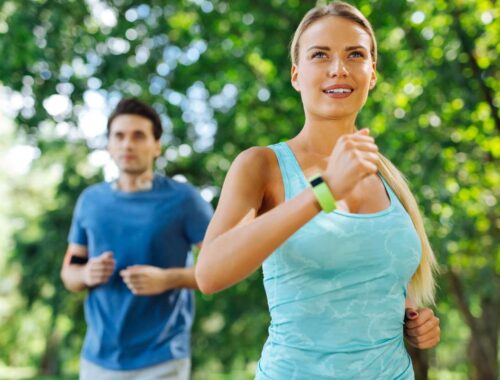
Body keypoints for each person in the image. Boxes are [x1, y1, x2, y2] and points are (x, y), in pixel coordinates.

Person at [195, 2, 440, 379]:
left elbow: (376, 279)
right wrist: (324, 192)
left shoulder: (385, 175)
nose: (338, 68)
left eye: (355, 54)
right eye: (320, 55)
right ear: (296, 74)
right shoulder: (261, 165)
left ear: (372, 73)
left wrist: (413, 319)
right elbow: (209, 274)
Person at [60, 98, 213, 380]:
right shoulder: (90, 201)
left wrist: (169, 279)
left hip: (163, 358)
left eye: (138, 136)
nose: (127, 144)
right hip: (98, 359)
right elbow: (69, 273)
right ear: (108, 144)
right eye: (119, 136)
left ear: (157, 146)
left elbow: (222, 268)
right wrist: (86, 272)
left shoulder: (184, 200)